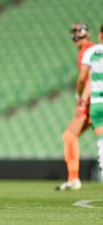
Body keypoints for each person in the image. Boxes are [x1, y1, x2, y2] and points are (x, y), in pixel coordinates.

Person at [56, 23, 94, 191]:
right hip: (93, 101)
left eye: (79, 33)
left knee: (69, 136)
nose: (77, 36)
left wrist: (82, 100)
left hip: (93, 102)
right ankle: (73, 178)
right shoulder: (89, 50)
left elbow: (89, 79)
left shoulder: (88, 51)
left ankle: (74, 178)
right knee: (69, 136)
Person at [78, 25, 103, 184]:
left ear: (100, 35)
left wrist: (80, 96)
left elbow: (82, 79)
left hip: (97, 103)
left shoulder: (91, 52)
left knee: (102, 140)